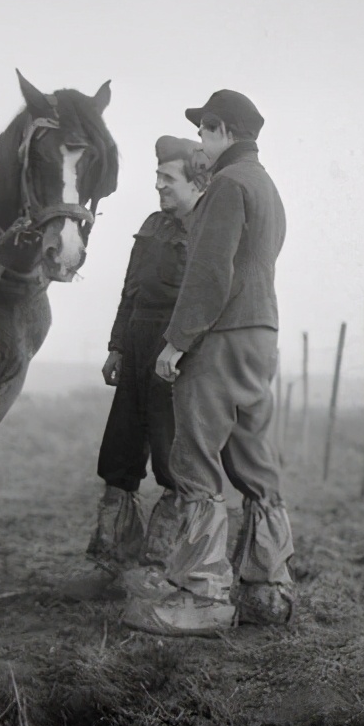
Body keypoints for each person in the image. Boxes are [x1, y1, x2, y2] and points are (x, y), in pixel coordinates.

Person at [122, 88, 294, 637]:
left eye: (203, 131)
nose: (200, 143)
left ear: (221, 129)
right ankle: (266, 587)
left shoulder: (225, 184)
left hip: (219, 335)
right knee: (253, 458)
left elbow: (210, 273)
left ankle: (202, 595)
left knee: (194, 457)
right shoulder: (265, 186)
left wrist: (178, 341)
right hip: (260, 332)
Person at [64, 135, 208, 601]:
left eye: (168, 179)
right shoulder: (152, 224)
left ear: (196, 181)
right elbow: (130, 290)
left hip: (178, 350)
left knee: (172, 462)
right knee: (120, 454)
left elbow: (209, 301)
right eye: (157, 178)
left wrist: (181, 349)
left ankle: (158, 570)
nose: (159, 187)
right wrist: (116, 347)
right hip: (138, 343)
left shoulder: (209, 228)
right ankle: (111, 562)